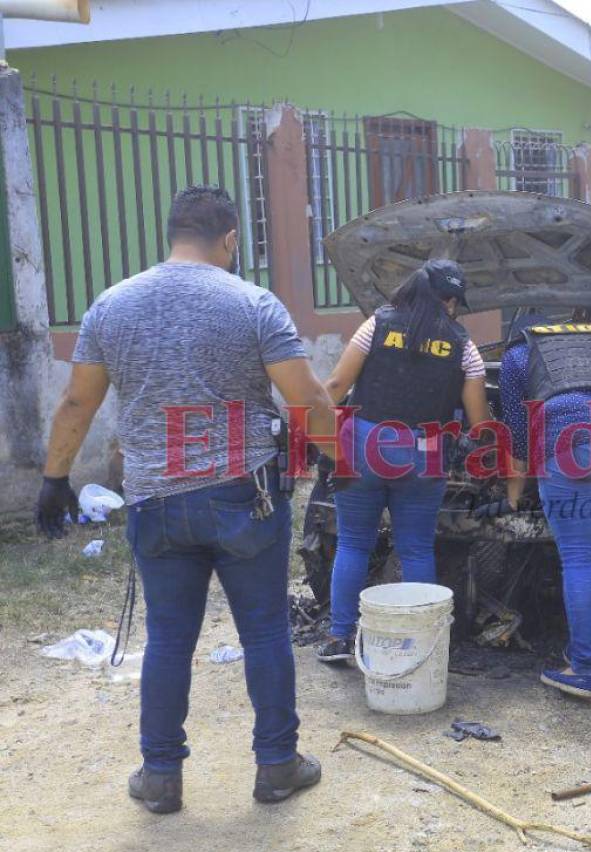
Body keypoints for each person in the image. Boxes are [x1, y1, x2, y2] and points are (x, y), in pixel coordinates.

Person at [35, 186, 336, 814]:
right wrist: (344, 460)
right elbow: (307, 399)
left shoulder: (111, 305)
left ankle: (162, 775)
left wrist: (55, 479)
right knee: (264, 633)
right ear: (230, 239)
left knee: (169, 640)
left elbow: (76, 403)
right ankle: (278, 765)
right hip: (243, 497)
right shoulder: (254, 304)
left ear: (172, 233)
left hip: (155, 502)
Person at [315, 259, 491, 664]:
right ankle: (420, 647)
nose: (454, 309)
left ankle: (341, 638)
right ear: (442, 299)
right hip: (425, 451)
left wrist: (320, 435)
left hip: (363, 444)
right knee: (415, 549)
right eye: (452, 300)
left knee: (354, 543)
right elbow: (480, 422)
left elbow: (337, 386)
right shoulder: (464, 346)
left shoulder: (375, 325)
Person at [486, 311, 591, 699]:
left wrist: (513, 495)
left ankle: (581, 670)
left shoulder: (518, 356)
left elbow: (516, 431)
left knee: (578, 558)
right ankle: (590, 655)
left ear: (520, 335)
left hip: (566, 441)